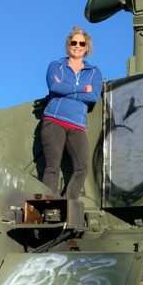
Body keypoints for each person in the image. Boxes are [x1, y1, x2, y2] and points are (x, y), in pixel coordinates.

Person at [41, 26, 102, 199]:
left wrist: (66, 89)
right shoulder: (56, 66)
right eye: (74, 42)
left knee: (82, 165)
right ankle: (48, 204)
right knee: (52, 166)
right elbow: (54, 86)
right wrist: (82, 88)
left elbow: (93, 96)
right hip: (54, 121)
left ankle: (68, 202)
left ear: (87, 47)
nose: (77, 46)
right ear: (69, 44)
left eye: (81, 43)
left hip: (77, 126)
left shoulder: (94, 72)